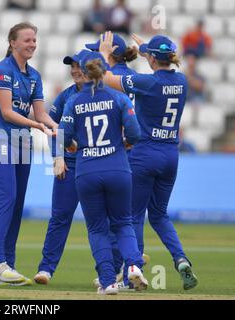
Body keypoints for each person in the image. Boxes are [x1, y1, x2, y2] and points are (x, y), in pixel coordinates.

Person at [99, 31, 198, 290]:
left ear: (152, 59)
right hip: (170, 155)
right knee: (159, 214)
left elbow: (107, 78)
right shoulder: (183, 81)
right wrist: (149, 52)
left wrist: (104, 54)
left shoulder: (147, 83)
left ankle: (134, 276)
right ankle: (181, 259)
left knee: (133, 216)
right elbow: (162, 71)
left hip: (145, 154)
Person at [58, 50, 148, 295]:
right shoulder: (119, 98)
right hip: (118, 167)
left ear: (84, 72)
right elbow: (135, 133)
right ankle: (132, 266)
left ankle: (107, 281)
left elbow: (63, 135)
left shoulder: (73, 101)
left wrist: (71, 146)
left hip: (86, 170)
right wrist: (126, 143)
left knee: (97, 228)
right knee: (123, 223)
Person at [0, 22, 58, 285]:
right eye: (27, 40)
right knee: (6, 198)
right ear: (13, 42)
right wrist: (36, 125)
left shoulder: (34, 75)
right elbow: (7, 112)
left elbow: (40, 113)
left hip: (22, 143)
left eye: (34, 40)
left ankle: (8, 264)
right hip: (0, 140)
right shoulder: (3, 71)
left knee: (15, 204)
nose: (32, 44)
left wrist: (56, 126)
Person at [85, 33, 144, 289]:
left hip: (96, 162)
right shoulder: (131, 78)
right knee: (127, 219)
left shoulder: (105, 81)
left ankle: (110, 276)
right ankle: (132, 263)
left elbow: (70, 134)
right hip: (125, 158)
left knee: (102, 225)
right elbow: (134, 130)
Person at [33, 49, 88, 285]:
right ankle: (46, 269)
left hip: (96, 164)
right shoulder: (65, 97)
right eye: (72, 67)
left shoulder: (106, 95)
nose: (74, 71)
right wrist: (58, 157)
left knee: (103, 221)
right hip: (71, 165)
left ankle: (114, 270)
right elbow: (53, 129)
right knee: (60, 218)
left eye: (79, 66)